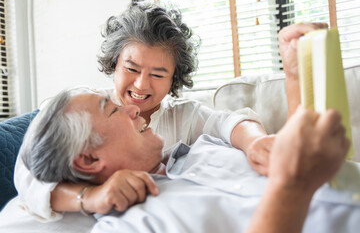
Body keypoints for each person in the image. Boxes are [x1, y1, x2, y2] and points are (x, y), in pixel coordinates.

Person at [14, 1, 273, 220]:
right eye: (132, 68)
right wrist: (90, 197)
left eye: (158, 74)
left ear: (174, 79)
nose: (141, 84)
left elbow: (231, 123)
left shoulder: (184, 115)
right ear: (114, 63)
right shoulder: (79, 106)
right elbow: (30, 171)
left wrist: (256, 143)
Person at [20, 87, 356, 233]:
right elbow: (27, 171)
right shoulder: (134, 227)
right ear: (90, 158)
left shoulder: (203, 145)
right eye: (112, 110)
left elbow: (233, 123)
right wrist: (292, 186)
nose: (133, 106)